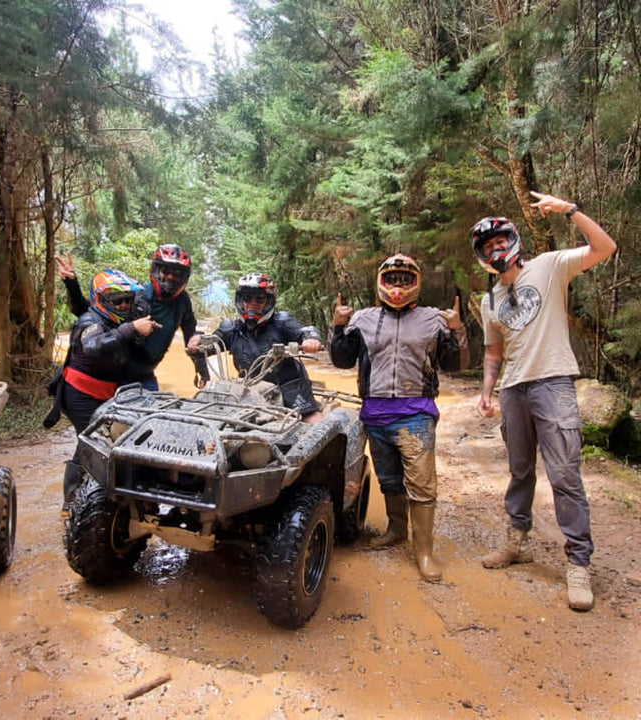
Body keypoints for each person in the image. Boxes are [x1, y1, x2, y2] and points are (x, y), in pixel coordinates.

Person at [472, 190, 617, 612]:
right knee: (519, 472)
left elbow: (604, 248)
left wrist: (571, 210)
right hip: (514, 388)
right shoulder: (490, 299)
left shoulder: (549, 266)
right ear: (481, 255)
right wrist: (486, 391)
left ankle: (578, 562)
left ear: (514, 240)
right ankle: (517, 541)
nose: (496, 249)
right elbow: (493, 351)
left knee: (564, 476)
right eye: (488, 246)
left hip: (553, 382)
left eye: (501, 241)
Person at [329, 253, 469, 581]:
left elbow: (456, 365)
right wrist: (337, 325)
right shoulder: (362, 318)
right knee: (389, 479)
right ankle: (396, 529)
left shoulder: (434, 318)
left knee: (421, 486)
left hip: (416, 414)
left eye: (405, 280)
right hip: (374, 414)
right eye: (391, 280)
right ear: (381, 282)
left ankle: (424, 551)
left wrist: (457, 329)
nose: (397, 287)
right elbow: (341, 360)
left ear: (416, 282)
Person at [57, 269, 158, 505]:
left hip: (106, 392)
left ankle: (112, 494)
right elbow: (94, 345)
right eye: (117, 301)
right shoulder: (91, 321)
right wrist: (132, 329)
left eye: (127, 300)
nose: (124, 305)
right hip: (79, 394)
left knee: (111, 439)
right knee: (92, 442)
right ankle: (72, 501)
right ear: (103, 301)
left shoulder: (120, 318)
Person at [56, 244, 208, 390]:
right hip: (117, 376)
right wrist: (72, 284)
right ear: (156, 270)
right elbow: (91, 311)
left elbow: (191, 337)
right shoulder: (137, 294)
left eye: (177, 274)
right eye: (166, 271)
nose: (170, 277)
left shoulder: (183, 301)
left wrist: (202, 369)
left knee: (153, 414)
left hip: (146, 375)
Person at [208, 272, 324, 423]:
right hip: (249, 389)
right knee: (222, 421)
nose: (253, 303)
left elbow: (305, 332)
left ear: (269, 301)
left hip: (288, 386)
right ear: (240, 300)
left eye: (260, 298)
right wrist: (195, 344)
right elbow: (206, 346)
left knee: (311, 420)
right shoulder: (230, 328)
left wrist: (311, 340)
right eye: (247, 298)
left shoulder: (282, 321)